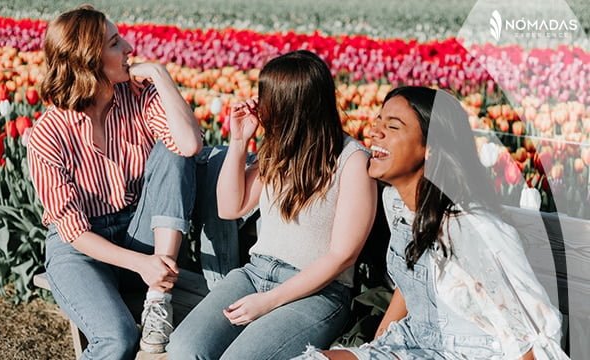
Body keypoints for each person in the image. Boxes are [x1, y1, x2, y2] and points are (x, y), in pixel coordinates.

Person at [294, 86, 567, 360]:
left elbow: (531, 340)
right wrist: (377, 343)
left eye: (393, 126)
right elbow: (415, 278)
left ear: (431, 149)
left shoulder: (472, 228)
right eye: (378, 121)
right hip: (410, 344)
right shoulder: (396, 202)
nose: (375, 131)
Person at [166, 50, 377, 359]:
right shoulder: (279, 150)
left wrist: (269, 301)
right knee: (184, 349)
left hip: (317, 292)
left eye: (266, 97)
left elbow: (342, 256)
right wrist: (239, 142)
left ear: (291, 105)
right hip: (254, 274)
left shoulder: (353, 160)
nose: (259, 105)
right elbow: (230, 207)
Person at [27, 5, 202, 358]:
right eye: (115, 43)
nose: (129, 48)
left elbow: (189, 145)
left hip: (137, 232)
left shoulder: (139, 98)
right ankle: (153, 286)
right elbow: (74, 233)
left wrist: (160, 75)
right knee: (117, 339)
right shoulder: (47, 135)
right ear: (89, 60)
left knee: (171, 153)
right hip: (81, 251)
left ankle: (158, 299)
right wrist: (142, 265)